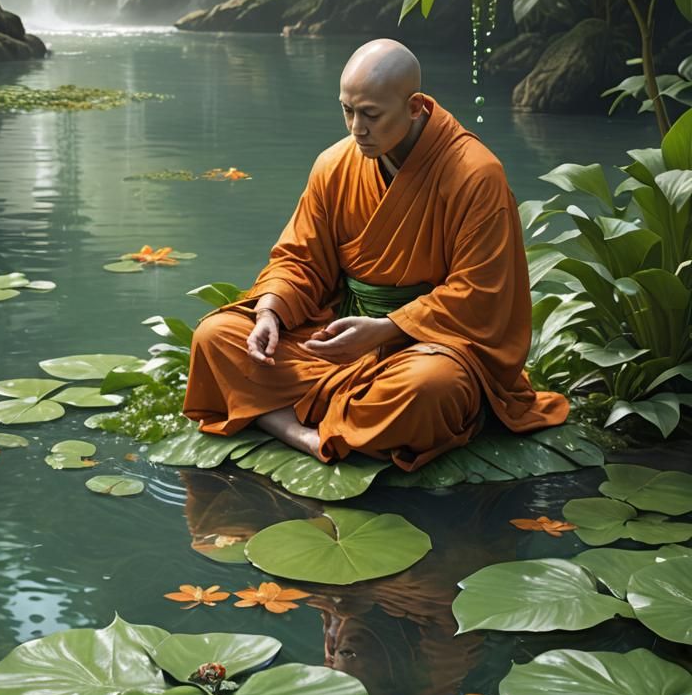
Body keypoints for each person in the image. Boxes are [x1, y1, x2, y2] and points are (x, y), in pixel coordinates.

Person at [183, 39, 568, 471]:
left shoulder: (476, 176)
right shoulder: (334, 164)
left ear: (415, 106)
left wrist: (386, 330)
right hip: (337, 335)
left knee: (431, 388)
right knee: (215, 337)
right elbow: (300, 259)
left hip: (428, 346)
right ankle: (304, 430)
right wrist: (270, 312)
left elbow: (480, 296)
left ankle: (275, 416)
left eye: (371, 114)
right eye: (347, 110)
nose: (356, 128)